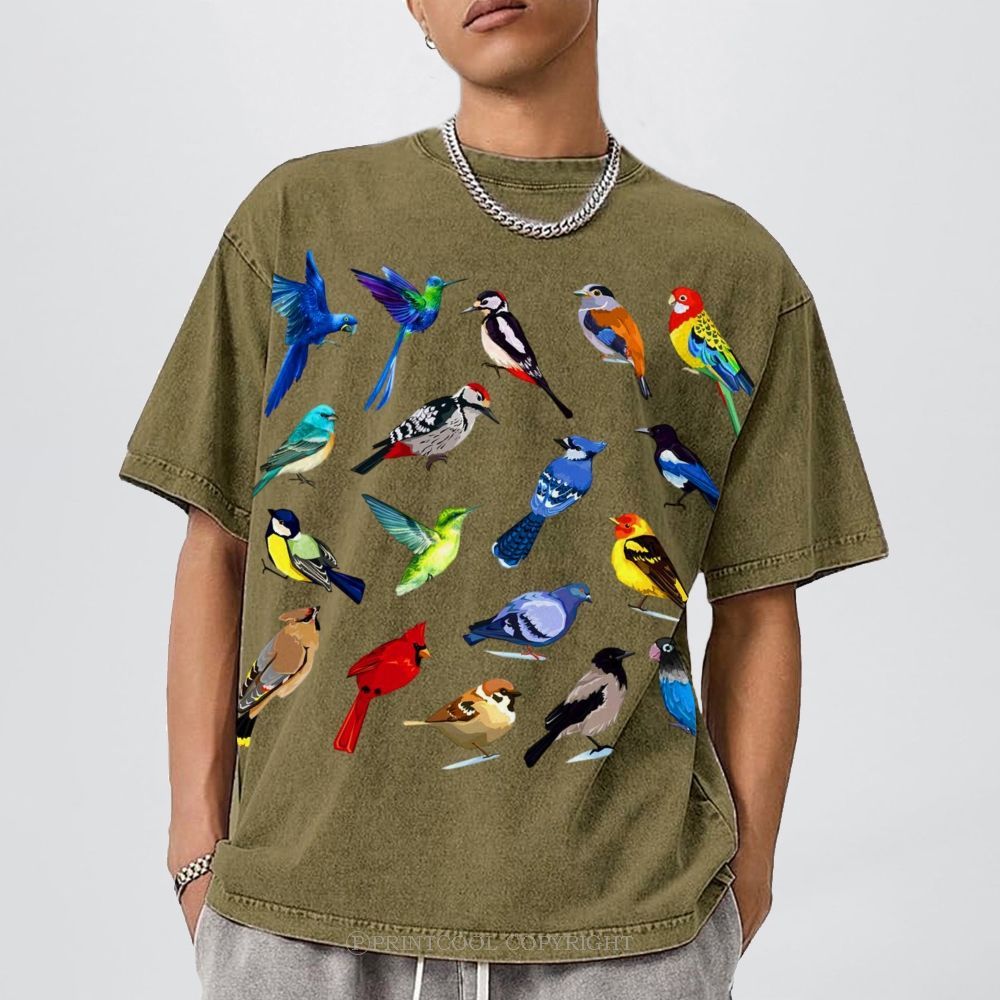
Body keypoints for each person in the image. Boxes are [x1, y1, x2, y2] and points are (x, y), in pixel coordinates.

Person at [121, 2, 887, 997]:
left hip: (627, 932)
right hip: (299, 921)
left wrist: (743, 882)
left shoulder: (733, 267)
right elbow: (217, 543)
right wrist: (194, 848)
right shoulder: (297, 217)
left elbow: (758, 600)